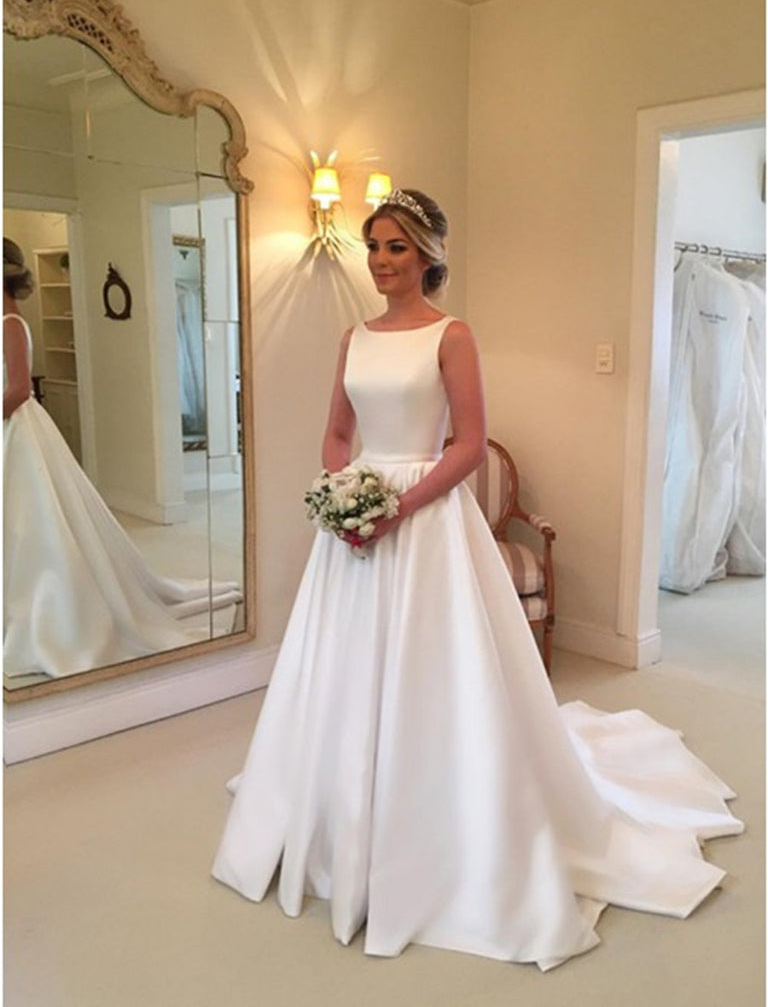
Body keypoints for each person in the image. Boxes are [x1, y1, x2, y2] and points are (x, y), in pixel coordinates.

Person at [212, 191, 743, 970]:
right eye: (374, 246)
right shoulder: (353, 338)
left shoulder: (451, 336)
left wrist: (396, 507)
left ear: (428, 255)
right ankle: (339, 804)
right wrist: (342, 494)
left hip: (424, 519)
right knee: (342, 665)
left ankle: (440, 810)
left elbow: (467, 444)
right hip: (356, 523)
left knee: (435, 668)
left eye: (397, 246)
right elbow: (336, 431)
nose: (381, 261)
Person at [3, 238, 241, 679]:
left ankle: (52, 617)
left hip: (15, 427)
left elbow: (18, 388)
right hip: (11, 429)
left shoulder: (10, 322)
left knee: (32, 523)